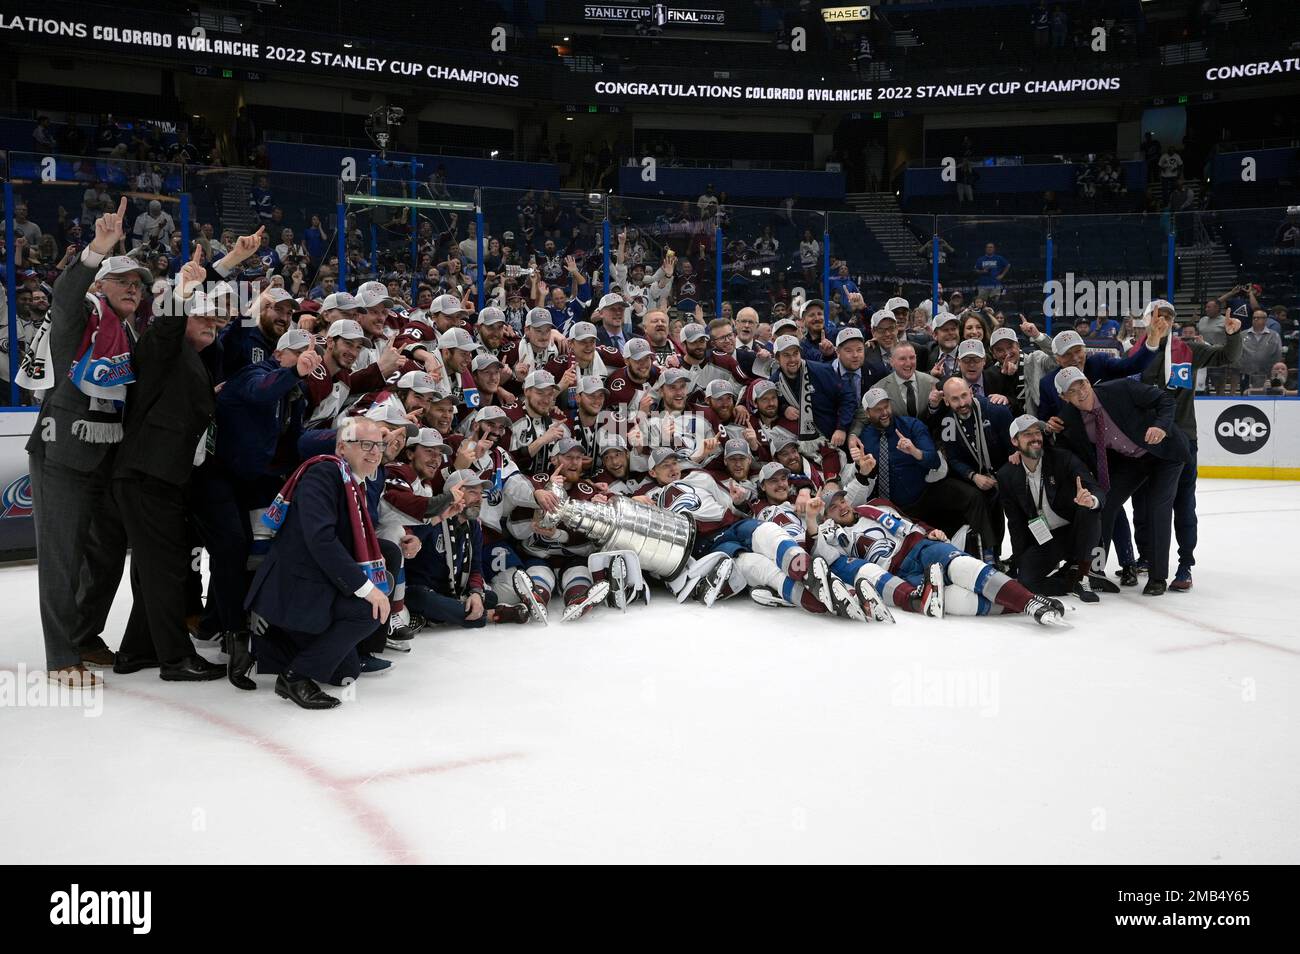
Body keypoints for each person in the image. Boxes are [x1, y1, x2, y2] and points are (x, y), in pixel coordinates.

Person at [24, 199, 137, 689]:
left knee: (108, 552)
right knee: (62, 555)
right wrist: (96, 249)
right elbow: (65, 297)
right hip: (61, 454)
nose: (134, 288)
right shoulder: (79, 321)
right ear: (100, 287)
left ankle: (86, 633)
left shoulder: (131, 330)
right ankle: (61, 655)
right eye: (123, 281)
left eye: (139, 284)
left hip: (107, 457)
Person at [109, 248, 226, 680]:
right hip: (146, 477)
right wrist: (182, 291)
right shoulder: (163, 348)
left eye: (216, 321)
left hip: (158, 478)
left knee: (153, 569)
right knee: (167, 570)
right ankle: (175, 659)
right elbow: (166, 326)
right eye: (204, 318)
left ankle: (137, 651)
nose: (212, 325)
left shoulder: (192, 360)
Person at [245, 416, 395, 709]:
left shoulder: (353, 482)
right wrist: (366, 588)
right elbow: (321, 540)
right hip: (294, 592)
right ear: (341, 447)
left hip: (318, 587)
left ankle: (288, 649)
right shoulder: (324, 473)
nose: (375, 451)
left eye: (378, 445)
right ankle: (294, 675)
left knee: (346, 673)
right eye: (365, 444)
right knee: (369, 609)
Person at [1129, 300, 1242, 590]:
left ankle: (1184, 564)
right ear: (1146, 320)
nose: (1163, 320)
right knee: (1142, 504)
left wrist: (1232, 335)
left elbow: (1227, 357)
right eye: (1157, 315)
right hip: (1144, 443)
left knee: (1183, 503)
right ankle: (1146, 556)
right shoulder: (1134, 354)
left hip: (1182, 441)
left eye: (1168, 316)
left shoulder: (1189, 349)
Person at [1052, 367, 1188, 596]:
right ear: (1064, 397)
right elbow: (1063, 449)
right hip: (1131, 461)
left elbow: (1165, 399)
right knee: (1103, 502)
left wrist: (1160, 426)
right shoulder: (1069, 418)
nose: (1081, 393)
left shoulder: (1120, 388)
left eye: (1082, 385)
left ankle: (1157, 576)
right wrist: (1047, 431)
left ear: (1089, 382)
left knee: (1157, 508)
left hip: (1164, 453)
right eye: (1072, 391)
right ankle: (1094, 569)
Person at [996, 415, 1106, 603]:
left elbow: (1095, 488)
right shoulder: (1007, 475)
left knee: (1087, 510)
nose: (1035, 438)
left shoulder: (1063, 459)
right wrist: (1021, 562)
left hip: (1078, 531)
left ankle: (1083, 575)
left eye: (1037, 432)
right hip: (1047, 539)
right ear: (1015, 441)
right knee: (1027, 583)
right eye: (1027, 434)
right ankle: (1072, 580)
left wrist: (1092, 500)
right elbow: (1015, 524)